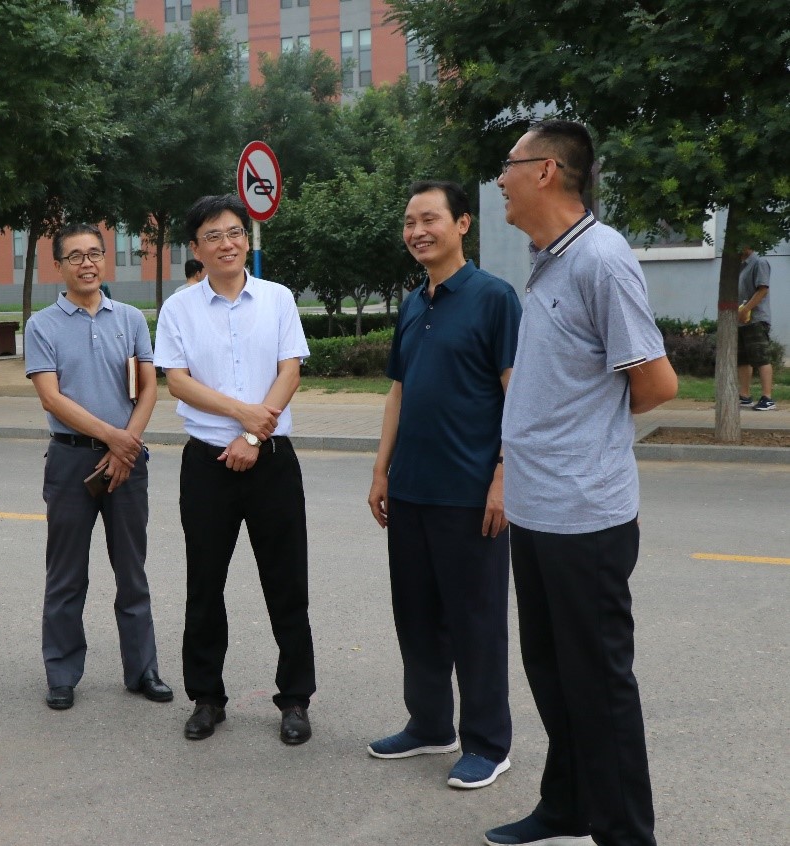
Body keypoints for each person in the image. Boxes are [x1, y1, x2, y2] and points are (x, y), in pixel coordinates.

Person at [490, 120, 677, 846]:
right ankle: (566, 805)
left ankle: (626, 834)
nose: (500, 178)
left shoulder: (602, 258)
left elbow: (656, 383)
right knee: (551, 672)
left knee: (598, 683)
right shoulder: (549, 259)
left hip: (585, 516)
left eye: (509, 164)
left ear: (545, 171)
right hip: (538, 510)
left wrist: (588, 438)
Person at [366, 181, 521, 790]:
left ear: (462, 224)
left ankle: (488, 742)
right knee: (417, 616)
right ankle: (430, 724)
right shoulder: (413, 302)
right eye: (409, 222)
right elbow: (399, 392)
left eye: (429, 219)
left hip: (469, 492)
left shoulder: (494, 299)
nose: (417, 231)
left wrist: (503, 476)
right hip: (411, 489)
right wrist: (381, 470)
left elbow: (516, 394)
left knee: (476, 622)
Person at [154, 194, 316, 746]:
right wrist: (241, 414)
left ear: (246, 239)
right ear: (196, 248)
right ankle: (206, 698)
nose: (226, 243)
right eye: (213, 236)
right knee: (204, 585)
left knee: (287, 584)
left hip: (271, 462)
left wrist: (252, 434)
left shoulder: (277, 298)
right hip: (207, 465)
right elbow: (177, 381)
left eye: (234, 233)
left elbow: (290, 370)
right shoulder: (179, 309)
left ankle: (295, 700)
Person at [24, 222, 171, 711]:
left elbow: (148, 389)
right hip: (71, 460)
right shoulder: (42, 325)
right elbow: (52, 397)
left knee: (132, 571)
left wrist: (126, 445)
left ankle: (143, 669)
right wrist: (116, 439)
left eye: (94, 254)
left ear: (105, 259)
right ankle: (62, 673)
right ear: (58, 266)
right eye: (75, 256)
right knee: (66, 574)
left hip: (128, 459)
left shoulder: (130, 318)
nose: (86, 263)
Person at [737, 248, 776, 411]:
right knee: (743, 359)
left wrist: (746, 309)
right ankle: (744, 396)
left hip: (756, 319)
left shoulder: (759, 262)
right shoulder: (741, 266)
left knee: (761, 358)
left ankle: (767, 398)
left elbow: (763, 289)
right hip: (742, 321)